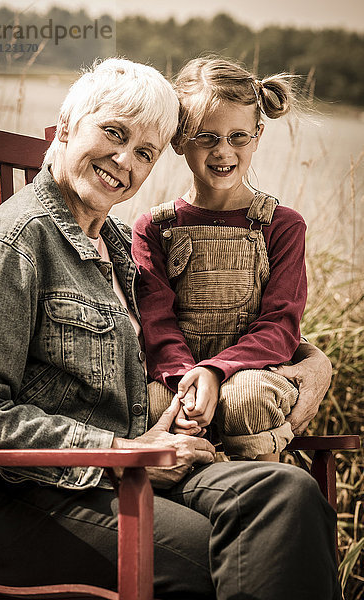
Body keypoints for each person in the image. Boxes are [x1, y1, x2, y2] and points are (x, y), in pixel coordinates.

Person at [0, 57, 340, 600]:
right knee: (225, 557)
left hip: (136, 466)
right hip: (29, 495)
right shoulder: (17, 243)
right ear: (68, 125)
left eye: (144, 152)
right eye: (114, 133)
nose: (125, 160)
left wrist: (308, 360)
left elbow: (202, 333)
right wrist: (119, 451)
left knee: (290, 494)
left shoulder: (119, 247)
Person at [133, 57, 310, 461]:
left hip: (255, 372)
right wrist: (187, 378)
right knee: (157, 406)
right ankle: (180, 512)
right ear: (179, 139)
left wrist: (215, 371)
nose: (223, 151)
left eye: (238, 137)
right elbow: (156, 322)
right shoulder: (154, 228)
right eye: (206, 137)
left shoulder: (282, 226)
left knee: (244, 398)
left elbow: (281, 326)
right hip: (177, 370)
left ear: (258, 135)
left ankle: (262, 494)